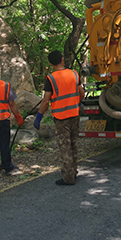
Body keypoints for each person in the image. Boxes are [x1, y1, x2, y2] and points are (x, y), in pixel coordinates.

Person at [34, 50, 85, 186]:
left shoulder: (51, 79)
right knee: (74, 144)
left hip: (61, 118)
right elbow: (81, 92)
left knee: (65, 147)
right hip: (74, 115)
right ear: (62, 60)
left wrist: (39, 116)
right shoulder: (74, 74)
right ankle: (73, 172)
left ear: (51, 64)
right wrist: (78, 102)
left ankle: (68, 178)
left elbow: (45, 101)